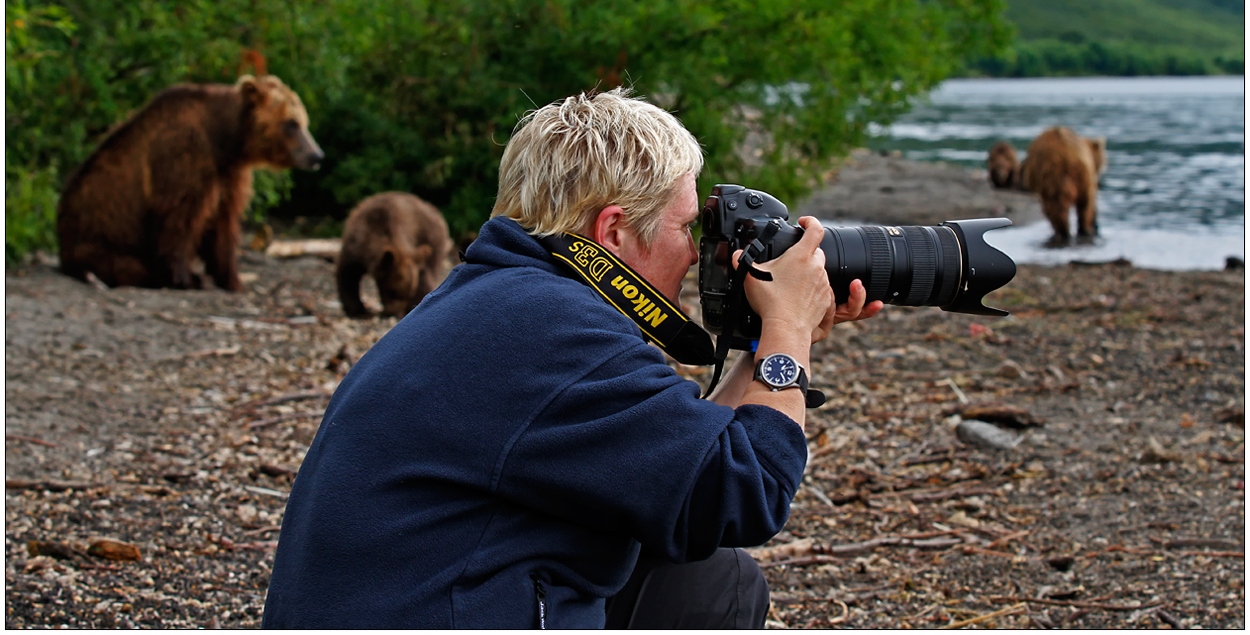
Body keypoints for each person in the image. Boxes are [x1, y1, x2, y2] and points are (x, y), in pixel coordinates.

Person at [262, 88, 882, 628]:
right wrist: (788, 337)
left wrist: (766, 336)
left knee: (688, 572)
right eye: (684, 228)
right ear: (613, 232)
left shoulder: (502, 300)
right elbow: (743, 494)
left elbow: (683, 477)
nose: (695, 255)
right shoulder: (552, 332)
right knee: (719, 585)